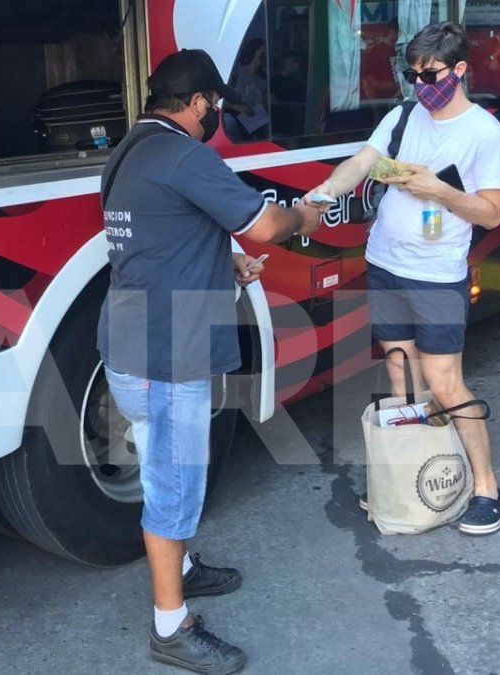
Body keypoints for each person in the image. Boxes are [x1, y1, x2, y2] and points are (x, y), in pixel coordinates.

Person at [98, 49, 322, 673]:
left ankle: (184, 569)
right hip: (166, 356)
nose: (216, 116)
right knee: (172, 487)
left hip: (129, 346)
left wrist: (224, 264)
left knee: (162, 469)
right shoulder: (186, 156)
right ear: (197, 102)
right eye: (215, 105)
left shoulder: (129, 152)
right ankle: (171, 627)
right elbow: (267, 225)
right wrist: (308, 211)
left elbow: (162, 232)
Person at [304, 21, 500, 535]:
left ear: (460, 70)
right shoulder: (402, 116)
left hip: (437, 277)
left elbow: (491, 214)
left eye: (431, 74)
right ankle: (420, 477)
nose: (421, 85)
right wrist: (327, 191)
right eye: (412, 75)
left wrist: (438, 191)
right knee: (401, 375)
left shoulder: (485, 132)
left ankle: (487, 487)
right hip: (385, 265)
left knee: (444, 382)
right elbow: (363, 162)